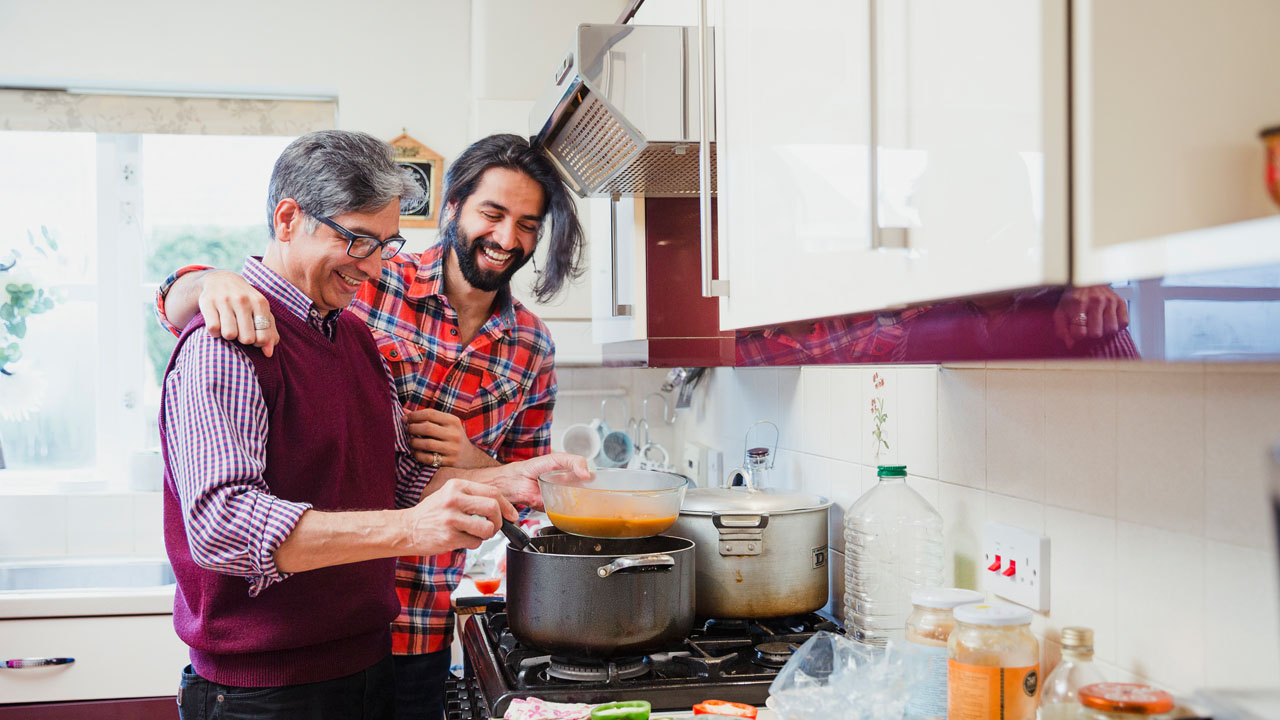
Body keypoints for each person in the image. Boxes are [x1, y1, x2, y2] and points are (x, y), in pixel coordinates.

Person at [154, 133, 585, 720]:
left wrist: (509, 478)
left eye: (385, 244)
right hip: (268, 690)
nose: (375, 264)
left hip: (371, 659)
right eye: (359, 240)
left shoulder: (353, 335)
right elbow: (223, 527)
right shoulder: (226, 342)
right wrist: (202, 281)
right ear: (287, 219)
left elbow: (398, 475)